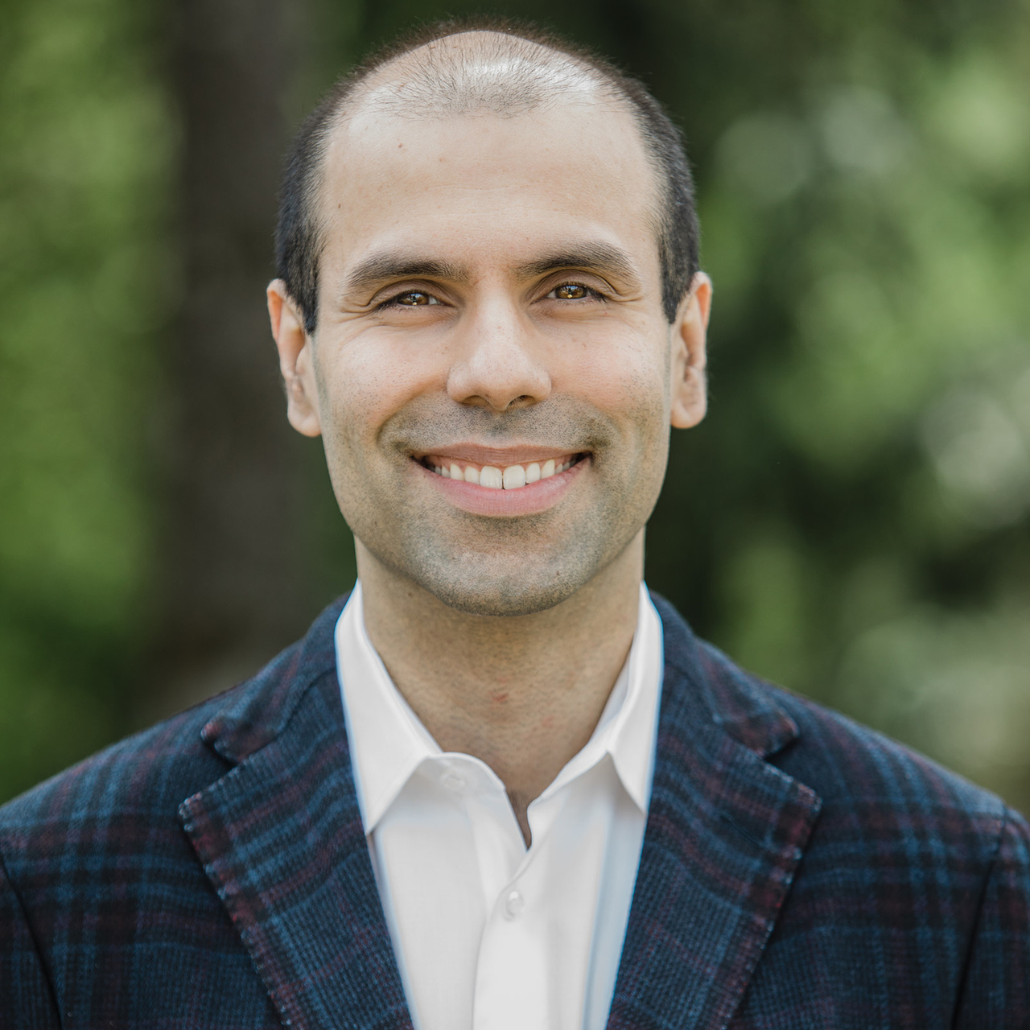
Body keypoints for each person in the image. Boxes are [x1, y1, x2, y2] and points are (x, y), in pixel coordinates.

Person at [1, 21, 1027, 1030]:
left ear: (684, 350)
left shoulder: (963, 893)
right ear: (296, 358)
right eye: (411, 295)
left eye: (572, 288)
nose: (497, 369)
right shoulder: (46, 899)